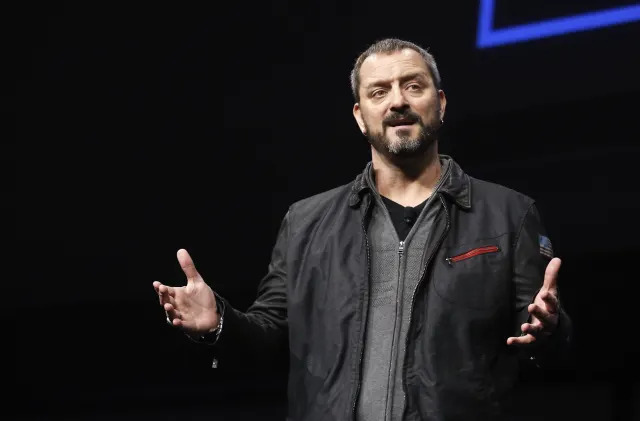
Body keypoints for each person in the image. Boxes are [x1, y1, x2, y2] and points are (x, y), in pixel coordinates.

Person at [153, 38, 572, 420]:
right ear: (360, 115)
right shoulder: (306, 223)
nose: (397, 102)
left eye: (413, 86)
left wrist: (550, 329)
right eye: (378, 91)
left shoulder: (507, 215)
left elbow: (541, 342)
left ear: (440, 103)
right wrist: (219, 322)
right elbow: (271, 334)